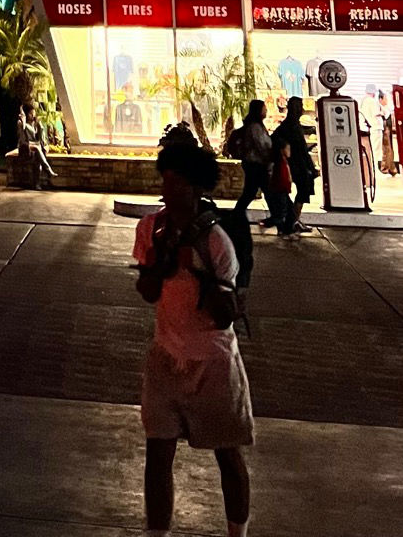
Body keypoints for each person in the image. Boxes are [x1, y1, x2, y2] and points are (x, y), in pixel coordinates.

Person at [133, 132, 254, 537]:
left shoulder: (217, 239)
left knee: (228, 454)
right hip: (165, 356)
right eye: (165, 180)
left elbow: (223, 316)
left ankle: (237, 531)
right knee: (157, 452)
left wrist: (200, 270)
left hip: (213, 363)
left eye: (177, 182)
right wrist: (158, 263)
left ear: (198, 187)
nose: (167, 190)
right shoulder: (151, 228)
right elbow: (148, 294)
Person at [228, 100, 287, 234]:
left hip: (255, 165)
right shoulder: (255, 127)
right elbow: (263, 146)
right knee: (265, 192)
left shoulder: (255, 126)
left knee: (252, 192)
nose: (266, 110)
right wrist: (272, 157)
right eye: (264, 108)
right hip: (257, 165)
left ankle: (237, 216)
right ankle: (278, 221)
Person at [271, 97, 317, 233]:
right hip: (297, 166)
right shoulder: (293, 126)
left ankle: (293, 220)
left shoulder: (287, 125)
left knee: (297, 193)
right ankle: (292, 222)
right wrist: (312, 168)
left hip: (293, 164)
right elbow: (302, 150)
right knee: (302, 192)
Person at [17, 101, 58, 188]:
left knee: (37, 158)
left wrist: (40, 126)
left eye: (33, 113)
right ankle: (49, 170)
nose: (33, 115)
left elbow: (41, 138)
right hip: (25, 148)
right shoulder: (20, 123)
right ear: (25, 114)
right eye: (30, 114)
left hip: (36, 148)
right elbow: (23, 138)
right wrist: (23, 122)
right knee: (36, 149)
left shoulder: (35, 123)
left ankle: (37, 184)